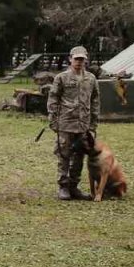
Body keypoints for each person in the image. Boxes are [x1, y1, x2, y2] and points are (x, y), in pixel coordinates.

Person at [47, 45, 100, 200]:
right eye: (76, 59)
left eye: (82, 59)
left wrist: (93, 123)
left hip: (83, 124)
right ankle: (63, 187)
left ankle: (73, 186)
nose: (79, 62)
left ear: (86, 60)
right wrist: (53, 120)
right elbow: (53, 99)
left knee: (79, 156)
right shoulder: (61, 78)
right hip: (65, 122)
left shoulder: (91, 78)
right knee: (64, 154)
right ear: (70, 59)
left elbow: (95, 100)